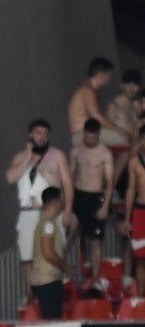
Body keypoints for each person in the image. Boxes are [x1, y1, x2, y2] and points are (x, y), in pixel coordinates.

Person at [5, 119, 73, 298]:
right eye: (38, 133)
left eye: (45, 134)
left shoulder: (57, 156)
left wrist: (67, 210)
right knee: (29, 257)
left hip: (50, 212)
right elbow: (11, 178)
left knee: (53, 252)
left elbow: (67, 183)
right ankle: (31, 295)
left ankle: (55, 289)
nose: (42, 137)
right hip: (28, 213)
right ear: (30, 135)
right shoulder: (21, 157)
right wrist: (27, 158)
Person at [69, 119, 114, 283]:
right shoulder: (76, 151)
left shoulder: (105, 153)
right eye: (87, 137)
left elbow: (109, 183)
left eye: (93, 138)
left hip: (96, 198)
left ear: (98, 136)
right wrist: (67, 202)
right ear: (84, 135)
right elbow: (70, 176)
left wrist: (105, 206)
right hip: (78, 195)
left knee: (95, 242)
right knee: (66, 233)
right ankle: (61, 272)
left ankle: (95, 279)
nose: (90, 141)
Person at [67, 57, 129, 148]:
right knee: (126, 139)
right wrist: (119, 131)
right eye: (109, 74)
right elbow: (97, 117)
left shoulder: (87, 90)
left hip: (83, 134)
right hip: (84, 135)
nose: (110, 79)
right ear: (101, 75)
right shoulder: (87, 91)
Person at [28, 188, 68, 321]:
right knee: (53, 323)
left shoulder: (43, 222)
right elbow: (48, 252)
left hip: (41, 281)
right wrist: (65, 266)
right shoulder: (48, 223)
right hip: (48, 281)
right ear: (56, 201)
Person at [123, 137, 145, 296]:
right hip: (140, 211)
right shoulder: (134, 162)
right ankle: (141, 297)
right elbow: (130, 190)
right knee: (140, 258)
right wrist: (126, 218)